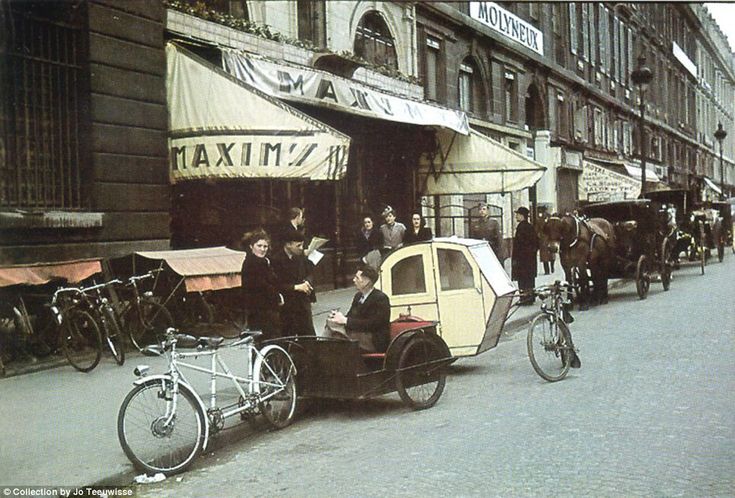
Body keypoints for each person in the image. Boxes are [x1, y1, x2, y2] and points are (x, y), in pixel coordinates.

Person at [328, 266, 391, 353]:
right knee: (331, 326)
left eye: (357, 278)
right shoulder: (358, 296)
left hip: (373, 340)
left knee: (337, 339)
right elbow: (351, 316)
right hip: (357, 334)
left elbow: (373, 324)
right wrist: (338, 318)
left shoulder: (380, 298)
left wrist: (345, 320)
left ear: (366, 282)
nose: (354, 280)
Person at [271, 231, 316, 336]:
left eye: (302, 245)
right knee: (288, 334)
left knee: (308, 335)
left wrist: (307, 282)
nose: (301, 248)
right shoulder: (276, 260)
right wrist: (295, 287)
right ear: (288, 245)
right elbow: (276, 284)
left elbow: (310, 272)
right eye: (298, 245)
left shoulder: (300, 256)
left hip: (303, 303)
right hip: (287, 305)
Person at [240, 229, 282, 339]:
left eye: (265, 246)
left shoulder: (263, 261)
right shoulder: (253, 263)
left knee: (263, 339)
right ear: (251, 246)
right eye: (259, 246)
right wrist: (277, 296)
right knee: (268, 338)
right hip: (260, 309)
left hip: (262, 308)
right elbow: (262, 285)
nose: (262, 249)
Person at [511, 206, 538, 305]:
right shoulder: (529, 227)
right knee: (529, 278)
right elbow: (536, 243)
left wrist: (519, 257)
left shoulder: (522, 228)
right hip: (529, 259)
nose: (516, 216)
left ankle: (525, 299)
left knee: (523, 279)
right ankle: (529, 297)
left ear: (522, 216)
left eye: (517, 214)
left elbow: (520, 245)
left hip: (523, 259)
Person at [535, 210, 556, 275]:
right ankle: (549, 268)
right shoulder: (548, 220)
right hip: (547, 239)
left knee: (547, 255)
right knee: (549, 255)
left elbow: (536, 230)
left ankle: (549, 269)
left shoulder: (541, 220)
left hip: (545, 239)